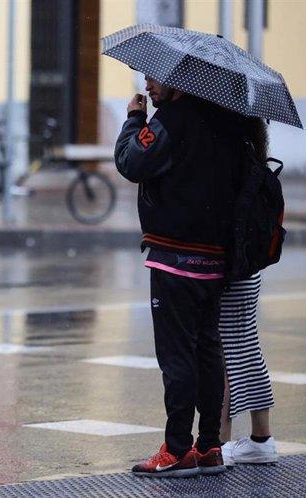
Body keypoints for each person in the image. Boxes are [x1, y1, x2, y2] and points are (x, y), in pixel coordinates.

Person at [114, 77, 244, 478]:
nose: (148, 86)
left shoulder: (173, 118)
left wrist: (135, 120)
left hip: (176, 258)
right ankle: (209, 447)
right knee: (207, 351)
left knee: (177, 356)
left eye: (154, 79)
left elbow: (132, 162)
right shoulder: (227, 123)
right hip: (215, 260)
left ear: (176, 82)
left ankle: (176, 450)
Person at [217, 118, 278, 466]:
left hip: (230, 260)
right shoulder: (253, 150)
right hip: (249, 261)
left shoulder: (229, 154)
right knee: (245, 342)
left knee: (224, 349)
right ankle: (261, 438)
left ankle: (221, 442)